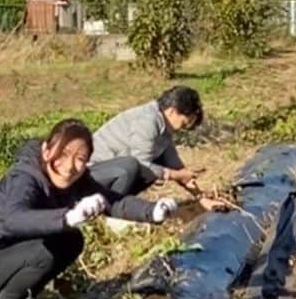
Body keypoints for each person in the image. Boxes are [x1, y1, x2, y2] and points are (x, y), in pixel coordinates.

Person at [0, 118, 177, 299]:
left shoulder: (78, 179)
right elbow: (13, 219)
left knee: (70, 241)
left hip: (2, 257)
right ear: (46, 150)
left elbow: (112, 201)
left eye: (80, 158)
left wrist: (152, 211)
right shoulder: (26, 179)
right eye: (64, 154)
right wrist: (67, 217)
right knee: (46, 249)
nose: (69, 167)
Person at [89, 86, 220, 212]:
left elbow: (177, 168)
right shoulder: (148, 121)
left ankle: (118, 206)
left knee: (157, 165)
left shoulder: (165, 131)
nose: (182, 129)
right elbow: (141, 163)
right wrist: (173, 175)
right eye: (184, 123)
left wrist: (201, 198)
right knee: (132, 166)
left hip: (114, 174)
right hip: (92, 176)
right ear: (172, 111)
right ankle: (112, 209)